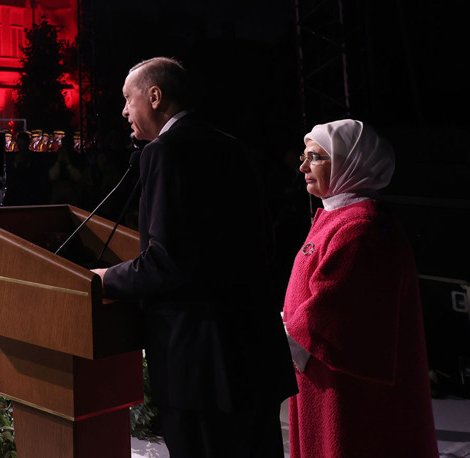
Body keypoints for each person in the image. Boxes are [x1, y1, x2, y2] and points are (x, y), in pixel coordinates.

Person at [92, 57, 296, 457]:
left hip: (200, 367)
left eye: (128, 99)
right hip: (252, 351)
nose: (124, 111)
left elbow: (167, 262)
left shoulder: (165, 151)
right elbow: (262, 244)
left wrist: (104, 278)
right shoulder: (229, 145)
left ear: (155, 96)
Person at [282, 119, 438, 457]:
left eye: (315, 157)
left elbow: (336, 313)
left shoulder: (361, 227)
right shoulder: (339, 216)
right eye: (304, 156)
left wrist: (281, 332)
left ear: (350, 162)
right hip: (321, 375)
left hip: (346, 388)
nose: (303, 166)